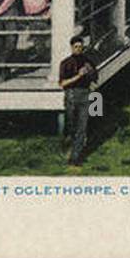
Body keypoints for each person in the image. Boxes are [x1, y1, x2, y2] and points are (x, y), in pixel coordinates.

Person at [58, 35, 98, 166]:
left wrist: (91, 79)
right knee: (71, 125)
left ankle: (75, 157)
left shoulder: (88, 61)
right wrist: (78, 76)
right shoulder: (65, 63)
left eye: (81, 47)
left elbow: (95, 80)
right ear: (71, 47)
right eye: (76, 47)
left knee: (82, 126)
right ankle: (67, 147)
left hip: (85, 95)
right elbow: (63, 83)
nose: (78, 49)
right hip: (71, 94)